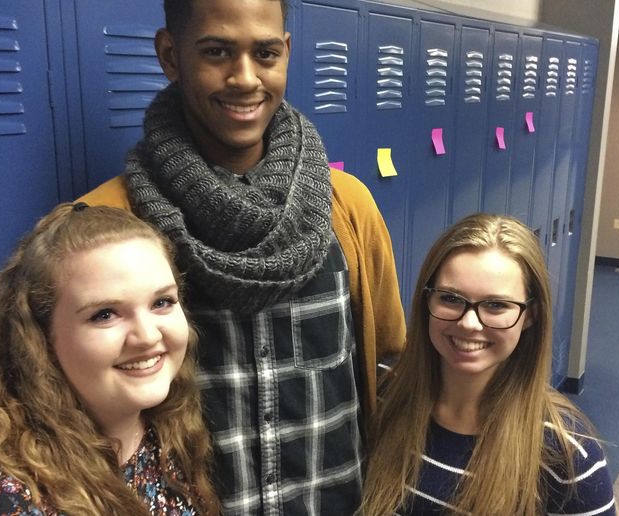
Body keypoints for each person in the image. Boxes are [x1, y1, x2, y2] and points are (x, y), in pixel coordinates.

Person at [79, 0, 405, 513]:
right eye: (216, 51)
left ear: (287, 55)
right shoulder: (104, 226)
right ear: (170, 55)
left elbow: (388, 365)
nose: (245, 78)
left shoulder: (348, 209)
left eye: (266, 53)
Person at [0, 203, 220, 515]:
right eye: (105, 314)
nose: (148, 336)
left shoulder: (166, 433)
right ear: (41, 340)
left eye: (162, 302)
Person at [361, 213, 616, 515]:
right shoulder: (383, 389)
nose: (469, 323)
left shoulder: (567, 455)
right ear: (426, 302)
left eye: (496, 305)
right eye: (451, 299)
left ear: (530, 315)